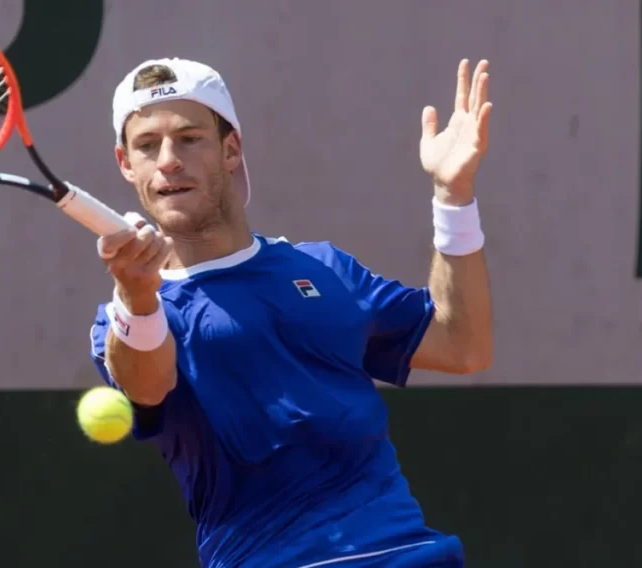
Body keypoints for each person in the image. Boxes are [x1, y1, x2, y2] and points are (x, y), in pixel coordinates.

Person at [88, 56, 493, 568]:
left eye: (189, 138)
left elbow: (463, 345)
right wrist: (138, 295)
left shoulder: (323, 269)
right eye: (148, 145)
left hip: (408, 555)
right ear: (127, 164)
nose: (168, 159)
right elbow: (146, 386)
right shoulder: (129, 319)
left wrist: (453, 197)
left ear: (230, 149)